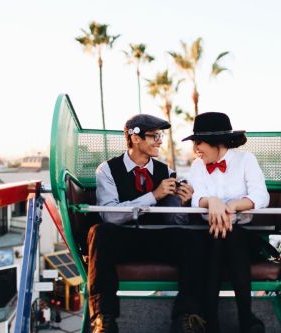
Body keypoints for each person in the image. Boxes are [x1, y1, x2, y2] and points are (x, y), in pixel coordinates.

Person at [89, 114, 207, 333]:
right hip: (123, 240)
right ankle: (103, 318)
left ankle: (186, 318)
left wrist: (185, 202)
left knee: (192, 238)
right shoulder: (106, 170)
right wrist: (154, 195)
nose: (160, 141)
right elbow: (110, 216)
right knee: (100, 232)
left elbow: (175, 221)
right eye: (154, 136)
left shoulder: (166, 171)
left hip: (157, 238)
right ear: (135, 137)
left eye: (160, 136)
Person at [183, 112, 270, 333]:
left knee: (230, 235)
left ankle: (212, 321)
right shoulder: (198, 166)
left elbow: (261, 196)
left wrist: (230, 206)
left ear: (217, 142)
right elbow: (196, 198)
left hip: (244, 234)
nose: (196, 149)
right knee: (217, 236)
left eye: (199, 142)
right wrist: (211, 201)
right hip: (209, 234)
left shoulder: (246, 160)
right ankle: (245, 318)